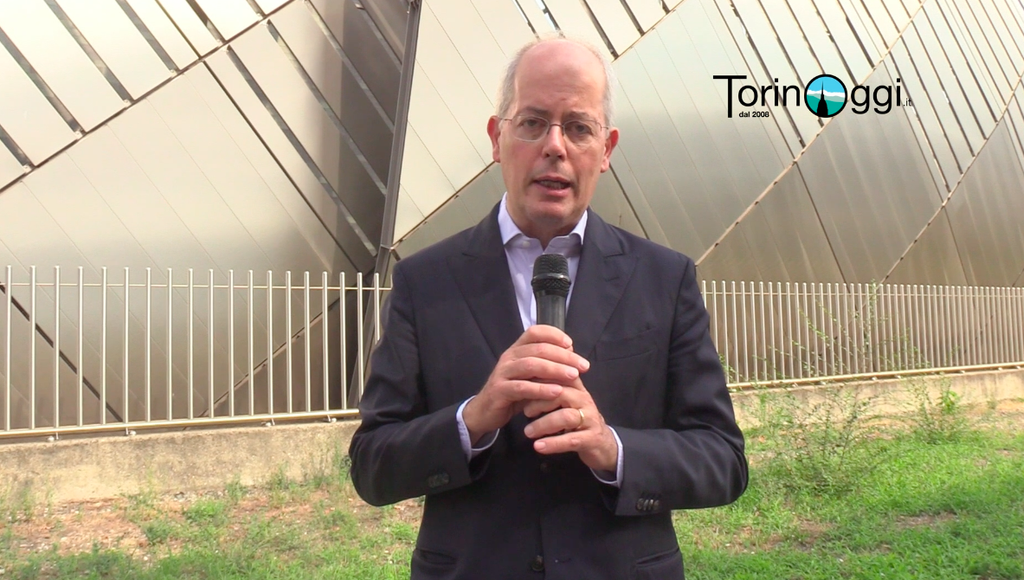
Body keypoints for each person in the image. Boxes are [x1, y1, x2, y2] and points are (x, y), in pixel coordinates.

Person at [349, 36, 747, 579]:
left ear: (606, 149)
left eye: (578, 127)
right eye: (533, 123)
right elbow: (372, 465)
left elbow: (723, 460)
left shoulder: (664, 278)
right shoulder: (425, 282)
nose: (555, 146)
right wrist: (473, 418)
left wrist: (610, 447)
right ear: (497, 138)